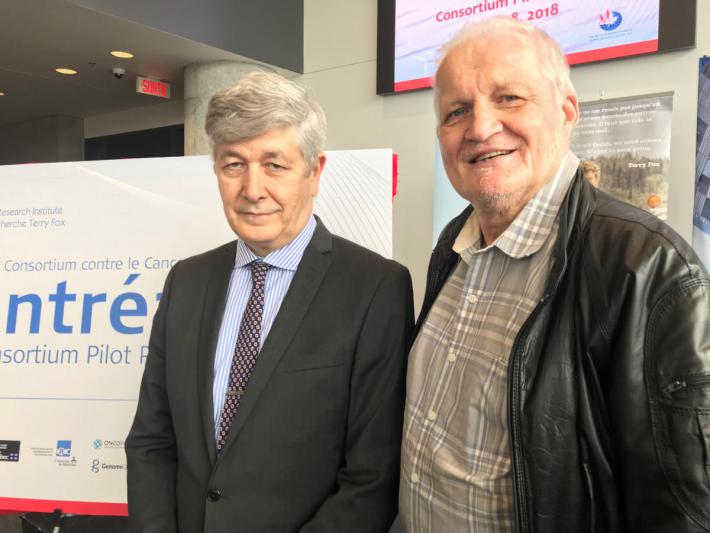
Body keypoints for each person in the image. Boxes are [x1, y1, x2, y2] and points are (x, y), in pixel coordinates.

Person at [400, 17, 710, 533]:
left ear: (567, 112)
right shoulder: (453, 243)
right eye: (457, 111)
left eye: (509, 99)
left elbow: (681, 510)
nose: (479, 128)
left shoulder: (648, 267)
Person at [126, 71, 414, 533]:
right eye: (233, 164)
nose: (252, 189)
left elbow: (374, 476)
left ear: (315, 171)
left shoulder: (376, 288)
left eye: (274, 165)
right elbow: (151, 441)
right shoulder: (187, 281)